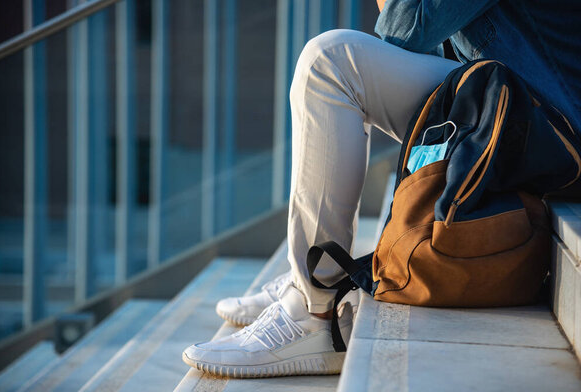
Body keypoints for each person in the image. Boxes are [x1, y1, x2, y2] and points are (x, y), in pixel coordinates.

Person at [183, 0, 581, 377]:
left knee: (332, 61)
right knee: (343, 64)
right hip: (507, 105)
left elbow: (402, 31)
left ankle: (313, 311)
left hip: (549, 125)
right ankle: (308, 275)